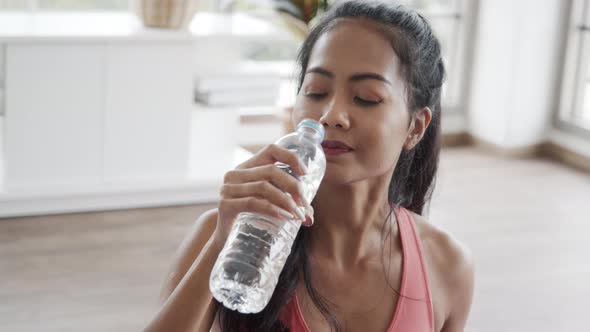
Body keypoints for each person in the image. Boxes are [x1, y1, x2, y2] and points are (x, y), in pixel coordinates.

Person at [144, 1, 474, 331]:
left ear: (415, 127)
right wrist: (221, 244)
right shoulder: (224, 232)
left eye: (366, 97)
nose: (331, 114)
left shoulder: (446, 267)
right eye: (316, 91)